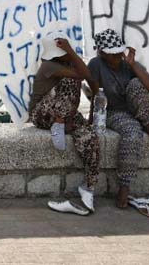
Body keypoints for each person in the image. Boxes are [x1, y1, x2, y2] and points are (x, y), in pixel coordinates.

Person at [87, 29, 149, 210]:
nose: (119, 56)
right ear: (103, 54)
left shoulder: (127, 64)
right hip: (112, 111)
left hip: (134, 108)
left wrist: (134, 65)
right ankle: (124, 186)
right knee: (132, 133)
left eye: (120, 52)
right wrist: (92, 120)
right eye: (114, 54)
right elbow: (96, 96)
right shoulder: (96, 64)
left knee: (137, 84)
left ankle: (145, 122)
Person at [29, 31, 99, 212]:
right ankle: (59, 124)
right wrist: (70, 52)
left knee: (89, 137)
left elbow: (88, 76)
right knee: (71, 78)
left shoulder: (68, 62)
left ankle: (88, 187)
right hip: (42, 114)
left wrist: (71, 53)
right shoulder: (49, 66)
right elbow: (81, 76)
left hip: (67, 114)